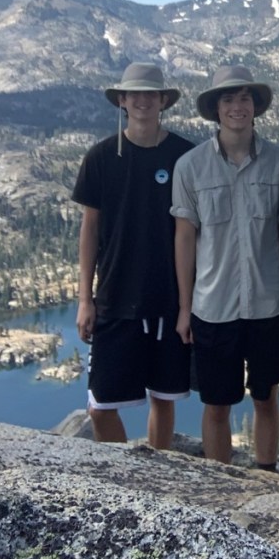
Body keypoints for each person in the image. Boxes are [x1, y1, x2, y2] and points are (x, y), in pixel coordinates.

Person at [171, 65, 279, 470]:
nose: (237, 106)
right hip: (213, 307)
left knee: (266, 397)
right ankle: (220, 484)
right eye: (228, 99)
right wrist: (185, 308)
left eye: (245, 98)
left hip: (269, 303)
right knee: (216, 405)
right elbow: (185, 239)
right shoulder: (190, 167)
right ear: (216, 108)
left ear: (256, 106)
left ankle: (267, 475)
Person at [72, 62, 194, 448]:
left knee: (164, 397)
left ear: (163, 101)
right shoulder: (100, 157)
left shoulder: (184, 156)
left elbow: (194, 233)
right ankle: (124, 472)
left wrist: (187, 306)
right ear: (122, 101)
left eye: (151, 94)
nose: (143, 100)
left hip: (168, 298)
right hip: (115, 298)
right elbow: (90, 230)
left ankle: (157, 472)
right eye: (135, 94)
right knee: (100, 407)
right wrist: (85, 299)